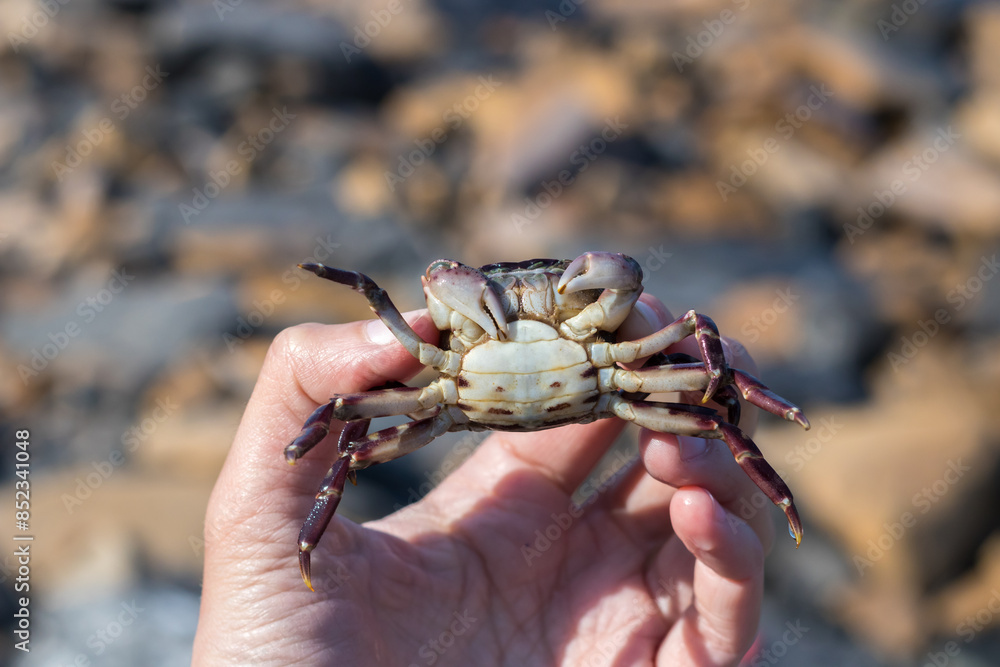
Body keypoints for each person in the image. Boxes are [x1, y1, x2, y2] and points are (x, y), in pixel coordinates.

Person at [193, 294, 775, 666]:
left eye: (546, 284)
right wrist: (311, 432)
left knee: (716, 416)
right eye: (497, 289)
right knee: (346, 432)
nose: (519, 302)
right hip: (456, 396)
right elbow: (348, 409)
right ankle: (307, 538)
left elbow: (703, 349)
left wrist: (724, 383)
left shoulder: (612, 344)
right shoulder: (435, 360)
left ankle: (780, 490)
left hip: (594, 386)